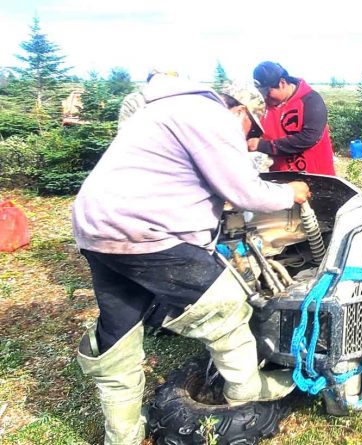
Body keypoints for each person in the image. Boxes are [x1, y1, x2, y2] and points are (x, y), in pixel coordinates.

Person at [72, 75, 310, 444]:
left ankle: (122, 435)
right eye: (251, 127)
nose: (248, 139)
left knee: (119, 333)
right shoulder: (211, 116)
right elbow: (246, 192)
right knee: (227, 308)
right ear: (241, 110)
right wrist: (288, 192)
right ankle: (245, 391)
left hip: (97, 228)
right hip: (148, 232)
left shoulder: (164, 110)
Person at [248, 61, 336, 175]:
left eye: (267, 93)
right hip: (283, 180)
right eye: (261, 94)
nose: (265, 98)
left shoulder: (310, 100)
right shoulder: (263, 106)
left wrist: (262, 145)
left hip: (316, 175)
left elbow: (308, 137)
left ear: (282, 83)